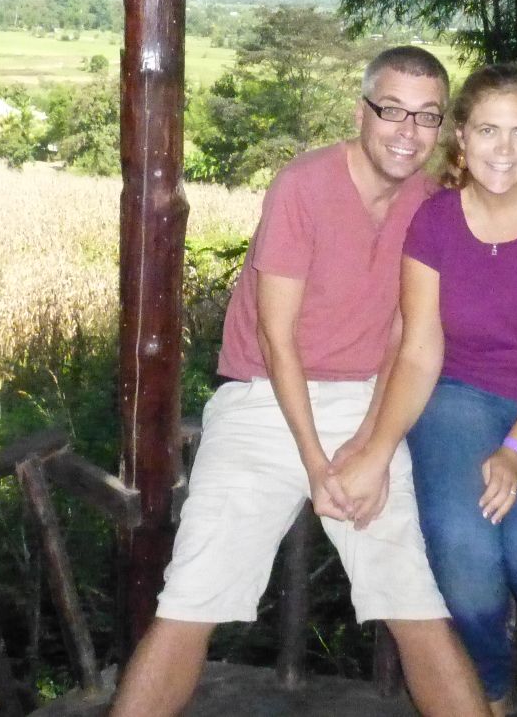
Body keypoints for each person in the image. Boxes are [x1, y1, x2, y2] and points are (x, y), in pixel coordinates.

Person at [109, 47, 493, 717]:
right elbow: (275, 337)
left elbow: (405, 337)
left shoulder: (431, 205)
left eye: (427, 115)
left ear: (443, 127)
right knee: (189, 599)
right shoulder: (304, 186)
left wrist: (372, 448)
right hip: (261, 397)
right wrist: (318, 463)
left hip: (367, 401)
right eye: (393, 110)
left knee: (414, 599)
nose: (408, 131)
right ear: (361, 112)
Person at [334, 63, 517, 716]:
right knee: (460, 540)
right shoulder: (435, 222)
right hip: (461, 394)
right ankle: (490, 692)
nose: (505, 148)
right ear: (461, 137)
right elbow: (418, 349)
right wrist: (376, 449)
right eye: (489, 130)